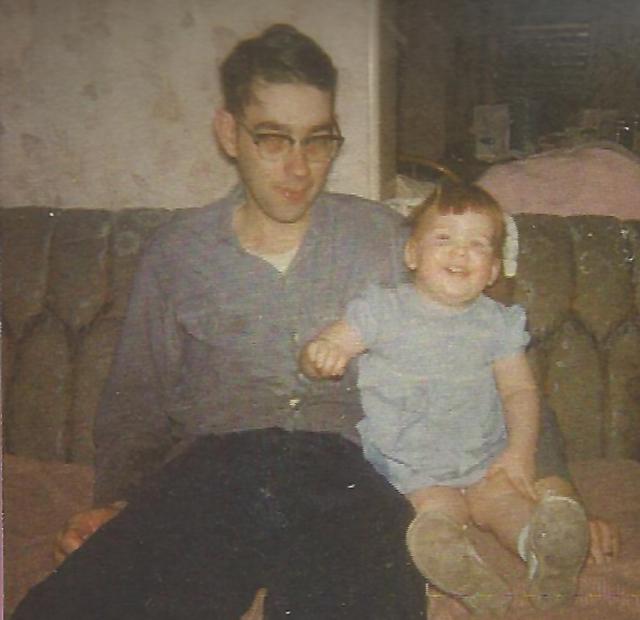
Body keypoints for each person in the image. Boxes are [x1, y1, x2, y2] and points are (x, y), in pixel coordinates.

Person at [14, 22, 617, 620]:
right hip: (212, 471)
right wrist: (117, 501)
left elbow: (494, 359)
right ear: (229, 133)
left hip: (349, 475)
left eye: (318, 140)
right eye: (273, 140)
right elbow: (137, 397)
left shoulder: (387, 240)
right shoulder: (178, 254)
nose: (299, 168)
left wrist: (552, 486)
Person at [299, 181, 616, 616]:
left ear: (492, 270)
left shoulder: (498, 324)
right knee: (434, 515)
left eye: (477, 244)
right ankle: (464, 574)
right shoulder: (383, 309)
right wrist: (323, 351)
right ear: (412, 254)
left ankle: (546, 554)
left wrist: (520, 454)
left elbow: (520, 390)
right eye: (444, 238)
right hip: (412, 467)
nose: (460, 252)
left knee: (506, 504)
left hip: (485, 460)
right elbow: (335, 342)